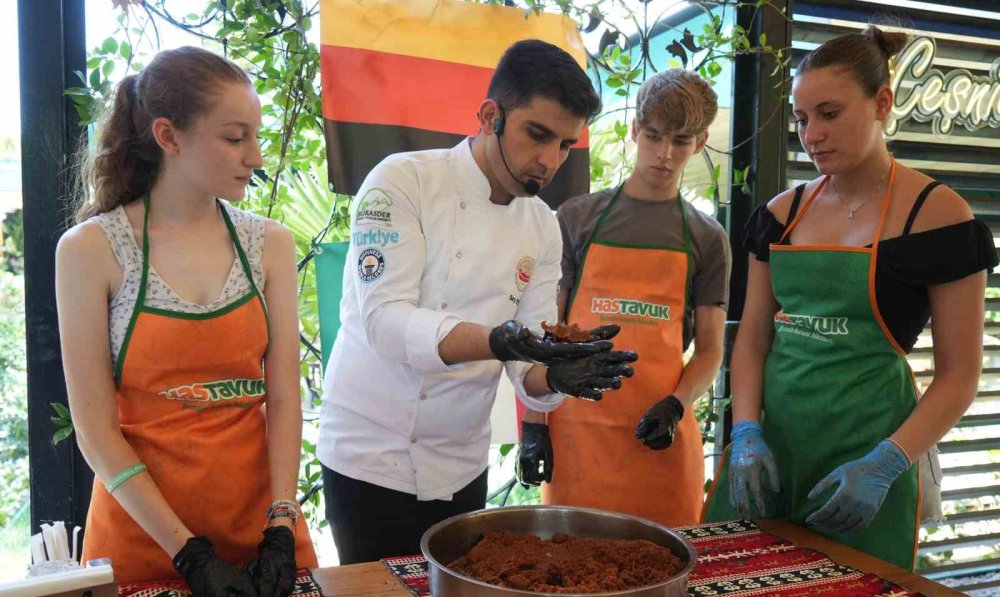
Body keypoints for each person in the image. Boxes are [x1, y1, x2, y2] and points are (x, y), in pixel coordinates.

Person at [318, 39, 638, 565]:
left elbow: (527, 363)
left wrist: (557, 374)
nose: (549, 160)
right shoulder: (402, 182)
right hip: (367, 458)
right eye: (538, 135)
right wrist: (495, 340)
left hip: (462, 463)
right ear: (491, 115)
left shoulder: (541, 227)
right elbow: (385, 322)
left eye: (564, 144)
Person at [703, 27, 996, 569]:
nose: (812, 134)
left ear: (881, 102)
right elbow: (753, 340)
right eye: (801, 118)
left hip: (868, 461)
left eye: (829, 114)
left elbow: (960, 374)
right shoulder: (780, 215)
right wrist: (745, 431)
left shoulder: (940, 217)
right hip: (772, 457)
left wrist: (889, 461)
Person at [56, 46, 317, 597]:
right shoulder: (91, 250)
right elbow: (97, 434)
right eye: (234, 137)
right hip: (140, 545)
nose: (256, 155)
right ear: (168, 137)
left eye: (256, 136)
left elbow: (283, 398)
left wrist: (280, 524)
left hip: (258, 533)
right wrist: (188, 554)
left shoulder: (268, 244)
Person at [521, 69, 730, 528]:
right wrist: (533, 427)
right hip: (577, 439)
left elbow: (712, 350)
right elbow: (544, 336)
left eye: (681, 140)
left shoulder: (707, 238)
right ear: (634, 130)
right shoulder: (576, 219)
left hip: (662, 441)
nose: (664, 153)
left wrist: (676, 406)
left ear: (700, 142)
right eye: (653, 135)